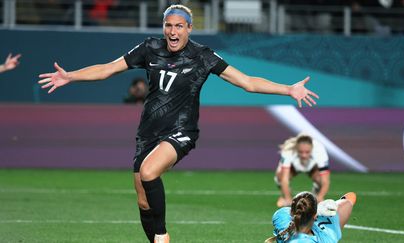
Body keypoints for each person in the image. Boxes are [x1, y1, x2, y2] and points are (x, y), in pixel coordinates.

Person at [38, 4, 319, 243]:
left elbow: (247, 82)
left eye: (179, 26)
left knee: (149, 172)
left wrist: (288, 89)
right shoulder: (149, 48)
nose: (173, 32)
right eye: (168, 25)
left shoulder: (203, 56)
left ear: (189, 28)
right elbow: (108, 69)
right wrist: (71, 76)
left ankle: (162, 237)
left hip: (181, 131)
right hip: (147, 133)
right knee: (143, 201)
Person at [265, 191, 357, 243]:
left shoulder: (281, 217)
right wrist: (322, 207)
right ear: (315, 215)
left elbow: (286, 211)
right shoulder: (328, 234)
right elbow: (351, 197)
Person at [274, 134, 330, 207]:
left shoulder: (320, 151)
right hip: (294, 166)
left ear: (312, 148)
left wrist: (320, 197)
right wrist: (288, 199)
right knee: (279, 177)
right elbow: (284, 178)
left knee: (320, 180)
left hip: (312, 166)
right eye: (301, 152)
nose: (304, 155)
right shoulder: (288, 150)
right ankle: (284, 195)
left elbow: (325, 181)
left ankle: (316, 191)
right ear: (296, 148)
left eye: (307, 152)